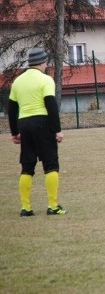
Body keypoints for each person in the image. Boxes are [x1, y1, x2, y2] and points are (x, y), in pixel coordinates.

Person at [8, 47, 66, 216]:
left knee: (27, 166)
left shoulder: (18, 81)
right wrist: (57, 130)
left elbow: (12, 109)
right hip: (42, 122)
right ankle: (53, 206)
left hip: (24, 124)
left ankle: (26, 208)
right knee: (51, 165)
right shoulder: (46, 80)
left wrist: (14, 132)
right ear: (43, 63)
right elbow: (51, 106)